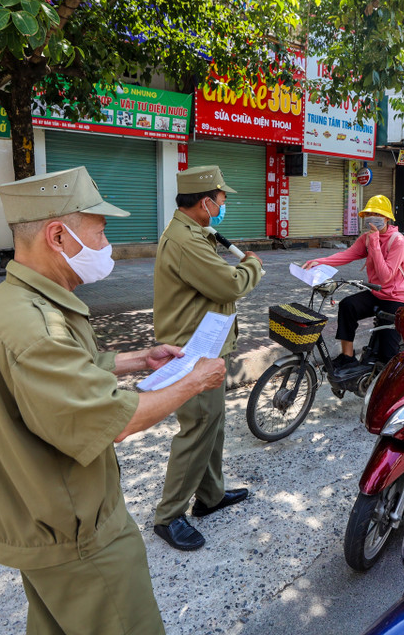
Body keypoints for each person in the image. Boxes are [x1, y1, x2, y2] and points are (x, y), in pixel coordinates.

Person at [0, 167, 227, 634]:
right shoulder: (36, 327)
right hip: (80, 537)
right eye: (100, 230)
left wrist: (135, 358)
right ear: (58, 236)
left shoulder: (11, 304)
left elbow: (62, 374)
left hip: (43, 523)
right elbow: (114, 421)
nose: (108, 242)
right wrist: (195, 380)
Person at [152, 165, 264, 551]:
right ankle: (168, 516)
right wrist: (252, 264)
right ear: (205, 202)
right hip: (191, 352)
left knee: (212, 423)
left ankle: (210, 496)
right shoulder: (186, 241)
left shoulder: (195, 233)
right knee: (198, 426)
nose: (224, 205)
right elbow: (228, 282)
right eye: (221, 199)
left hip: (204, 347)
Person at [302, 194, 404, 366]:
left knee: (387, 356)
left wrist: (375, 241)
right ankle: (347, 357)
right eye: (370, 214)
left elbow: (385, 277)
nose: (372, 218)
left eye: (377, 215)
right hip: (376, 293)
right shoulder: (366, 238)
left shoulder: (397, 241)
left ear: (386, 218)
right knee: (348, 305)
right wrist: (318, 262)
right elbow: (347, 255)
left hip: (396, 298)